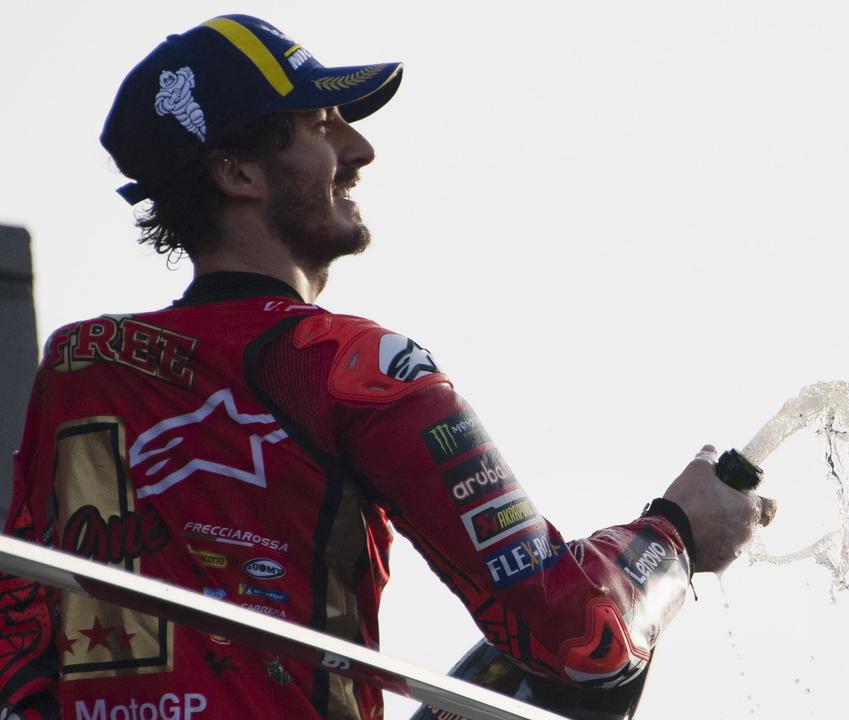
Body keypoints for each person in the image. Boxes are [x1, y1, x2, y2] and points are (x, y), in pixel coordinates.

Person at [0, 14, 768, 720]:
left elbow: (20, 655)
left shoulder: (78, 364)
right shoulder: (350, 365)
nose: (359, 151)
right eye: (321, 127)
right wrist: (677, 534)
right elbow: (579, 636)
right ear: (238, 174)